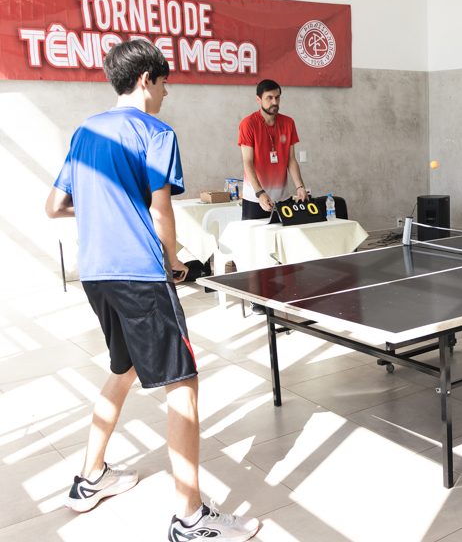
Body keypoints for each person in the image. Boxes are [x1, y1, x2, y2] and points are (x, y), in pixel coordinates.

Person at [45, 39, 260, 542]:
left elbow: (54, 206)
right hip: (138, 272)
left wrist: (104, 206)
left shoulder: (84, 131)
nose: (167, 92)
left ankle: (90, 478)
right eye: (164, 83)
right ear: (146, 79)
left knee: (123, 370)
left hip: (95, 273)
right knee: (183, 381)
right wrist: (174, 260)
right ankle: (190, 518)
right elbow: (162, 210)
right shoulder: (155, 132)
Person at [238, 79, 307, 220]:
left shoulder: (288, 123)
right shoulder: (248, 124)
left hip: (283, 198)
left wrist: (300, 186)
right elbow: (247, 161)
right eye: (269, 98)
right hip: (256, 199)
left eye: (277, 97)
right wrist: (259, 192)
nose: (274, 102)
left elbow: (291, 160)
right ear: (258, 99)